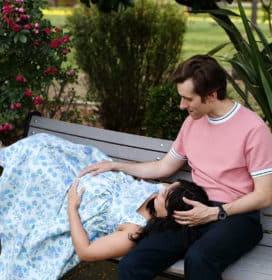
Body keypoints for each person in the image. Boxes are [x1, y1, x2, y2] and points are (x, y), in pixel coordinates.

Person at [80, 54, 272, 280]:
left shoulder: (253, 129)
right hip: (191, 208)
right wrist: (116, 165)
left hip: (236, 216)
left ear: (211, 95)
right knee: (133, 264)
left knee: (199, 259)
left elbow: (265, 195)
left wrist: (216, 212)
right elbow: (164, 166)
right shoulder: (193, 122)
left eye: (188, 99)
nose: (182, 106)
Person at [0, 133, 208, 280]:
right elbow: (159, 173)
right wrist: (114, 165)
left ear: (167, 216)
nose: (162, 190)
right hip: (80, 172)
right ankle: (6, 157)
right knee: (41, 143)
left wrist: (72, 208)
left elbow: (86, 252)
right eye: (168, 187)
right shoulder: (159, 193)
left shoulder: (133, 229)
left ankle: (4, 178)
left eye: (165, 196)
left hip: (67, 198)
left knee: (40, 168)